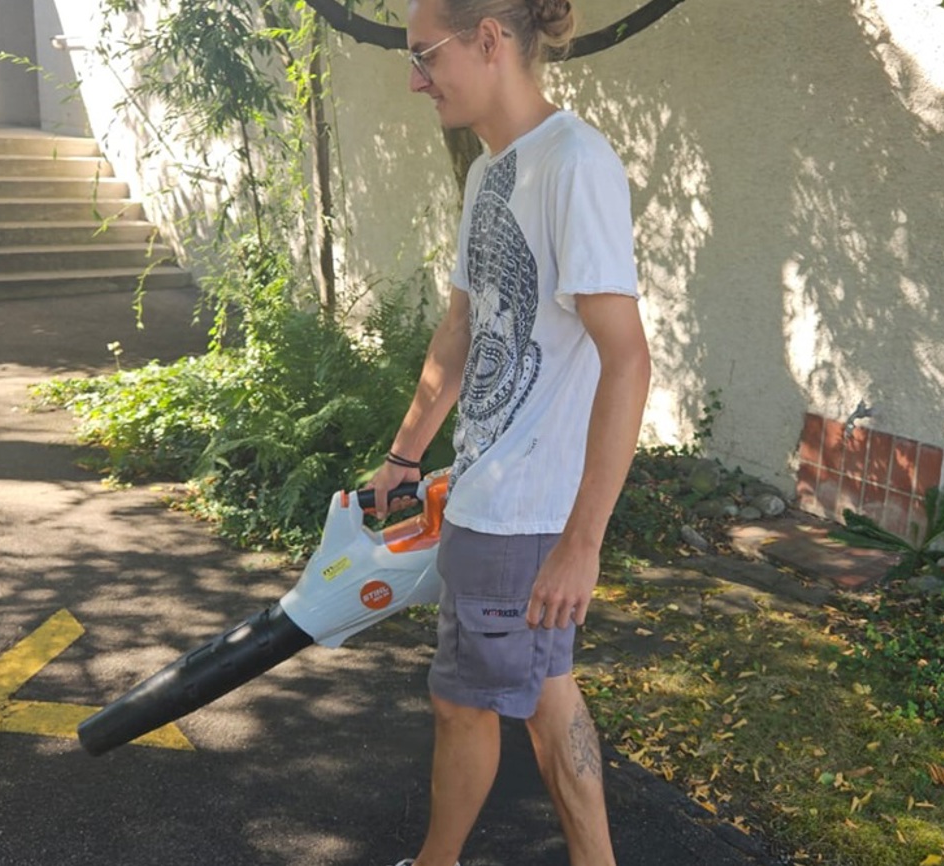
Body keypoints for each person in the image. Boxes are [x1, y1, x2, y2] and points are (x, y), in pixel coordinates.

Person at [367, 0, 651, 864]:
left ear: (489, 40)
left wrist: (583, 542)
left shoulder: (574, 165)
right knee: (547, 694)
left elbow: (628, 360)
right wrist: (403, 454)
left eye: (426, 56)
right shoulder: (493, 171)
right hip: (488, 496)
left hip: (521, 516)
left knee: (464, 705)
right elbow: (459, 333)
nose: (416, 79)